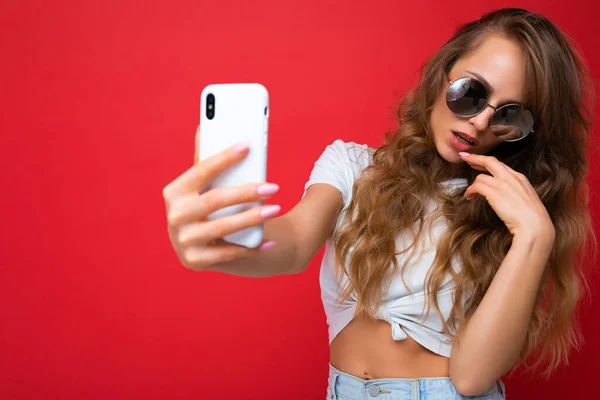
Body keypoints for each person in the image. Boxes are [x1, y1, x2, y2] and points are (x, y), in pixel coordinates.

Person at [162, 8, 596, 399]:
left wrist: (535, 239)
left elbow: (471, 379)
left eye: (509, 116)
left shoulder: (509, 215)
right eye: (472, 92)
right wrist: (222, 237)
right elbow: (292, 245)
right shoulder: (351, 166)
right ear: (443, 72)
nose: (481, 121)